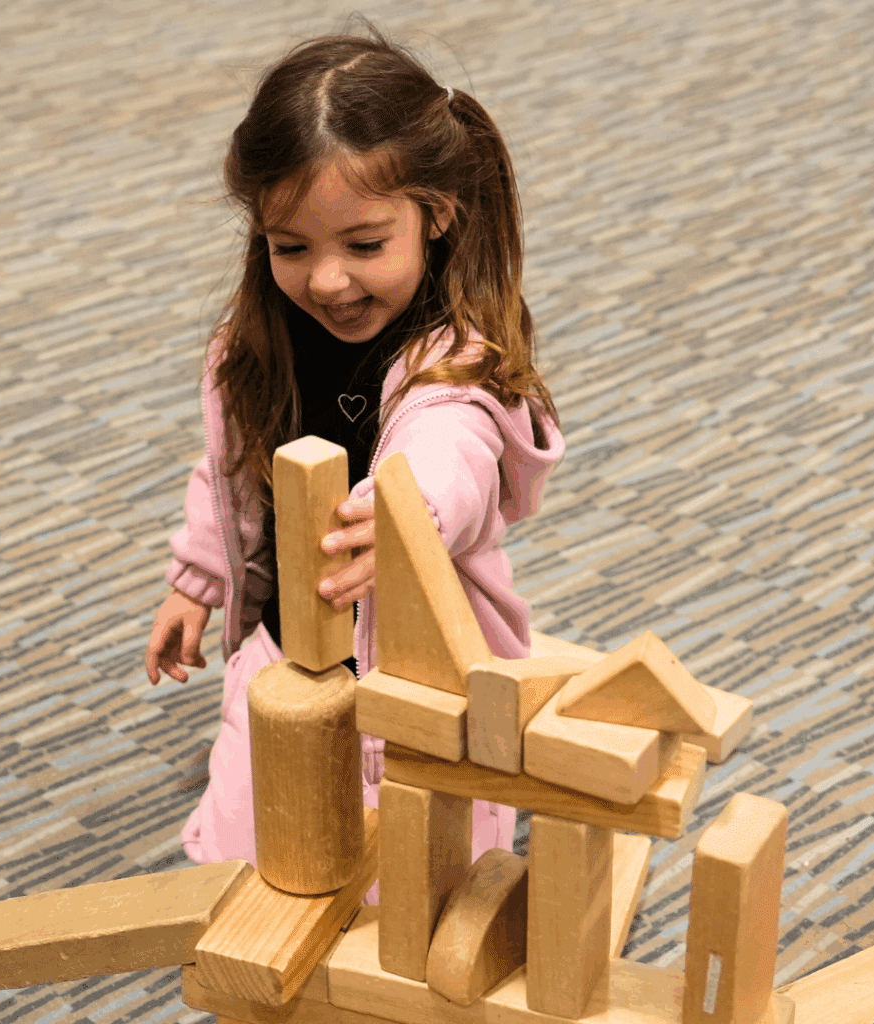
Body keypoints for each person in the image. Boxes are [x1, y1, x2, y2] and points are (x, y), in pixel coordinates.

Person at [144, 25, 565, 873]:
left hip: (415, 662)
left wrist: (411, 513)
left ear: (436, 213)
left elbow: (453, 453)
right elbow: (233, 473)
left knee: (413, 869)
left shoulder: (452, 363)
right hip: (288, 643)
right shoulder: (254, 345)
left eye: (365, 245)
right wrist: (198, 578)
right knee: (241, 853)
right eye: (290, 248)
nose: (328, 281)